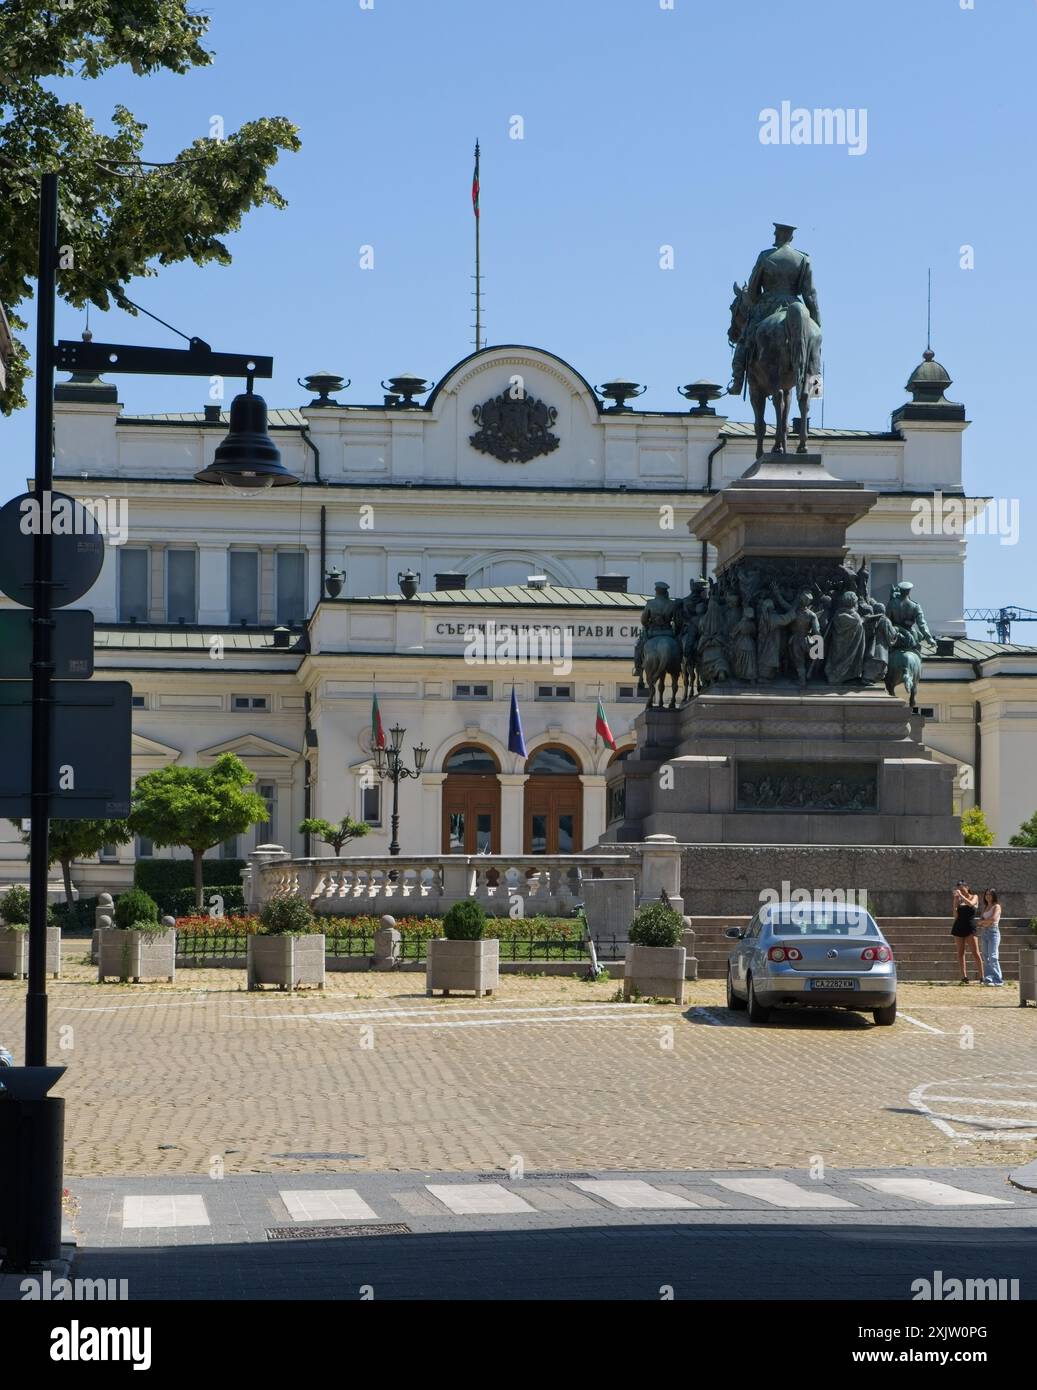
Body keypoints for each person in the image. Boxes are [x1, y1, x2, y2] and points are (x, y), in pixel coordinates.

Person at [951, 880, 982, 984]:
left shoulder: (975, 896)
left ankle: (982, 976)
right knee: (960, 952)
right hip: (959, 926)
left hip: (970, 926)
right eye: (958, 889)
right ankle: (964, 976)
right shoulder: (959, 900)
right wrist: (955, 902)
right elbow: (955, 916)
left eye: (962, 888)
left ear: (967, 887)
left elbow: (971, 904)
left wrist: (961, 896)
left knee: (975, 952)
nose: (960, 890)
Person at [978, 888, 1003, 987]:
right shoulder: (986, 907)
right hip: (984, 932)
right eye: (986, 894)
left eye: (990, 894)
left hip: (993, 932)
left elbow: (993, 919)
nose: (988, 896)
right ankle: (989, 979)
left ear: (994, 896)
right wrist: (984, 921)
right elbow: (981, 920)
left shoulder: (997, 906)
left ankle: (998, 980)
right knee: (985, 956)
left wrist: (983, 922)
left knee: (993, 956)